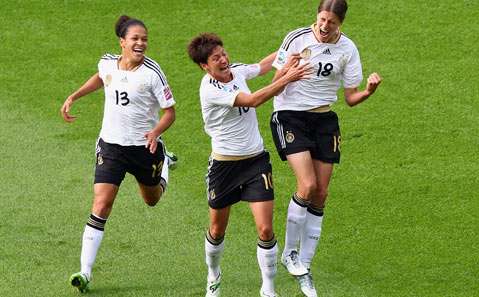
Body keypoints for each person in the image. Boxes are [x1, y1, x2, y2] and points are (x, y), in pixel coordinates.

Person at [270, 1, 382, 296]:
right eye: (321, 19)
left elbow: (350, 98)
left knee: (321, 193)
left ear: (339, 23)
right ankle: (290, 254)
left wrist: (369, 91)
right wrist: (289, 74)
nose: (323, 26)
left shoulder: (348, 49)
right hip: (290, 115)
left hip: (324, 120)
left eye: (330, 22)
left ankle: (304, 267)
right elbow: (274, 85)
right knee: (306, 185)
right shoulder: (296, 38)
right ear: (316, 16)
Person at [187, 33, 311, 297]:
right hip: (224, 167)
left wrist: (286, 54)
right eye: (215, 58)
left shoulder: (238, 72)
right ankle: (214, 274)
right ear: (204, 66)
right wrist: (288, 77)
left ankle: (268, 288)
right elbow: (254, 100)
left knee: (266, 229)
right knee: (217, 230)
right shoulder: (209, 89)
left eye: (223, 53)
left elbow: (263, 66)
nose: (223, 60)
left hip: (256, 162)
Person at [60, 15, 177, 293]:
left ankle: (166, 163)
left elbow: (170, 112)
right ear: (122, 42)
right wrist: (74, 96)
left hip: (143, 149)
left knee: (152, 199)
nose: (141, 43)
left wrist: (155, 133)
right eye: (135, 39)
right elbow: (102, 78)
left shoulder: (152, 73)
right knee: (101, 205)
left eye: (144, 39)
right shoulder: (107, 62)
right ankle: (85, 272)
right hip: (111, 147)